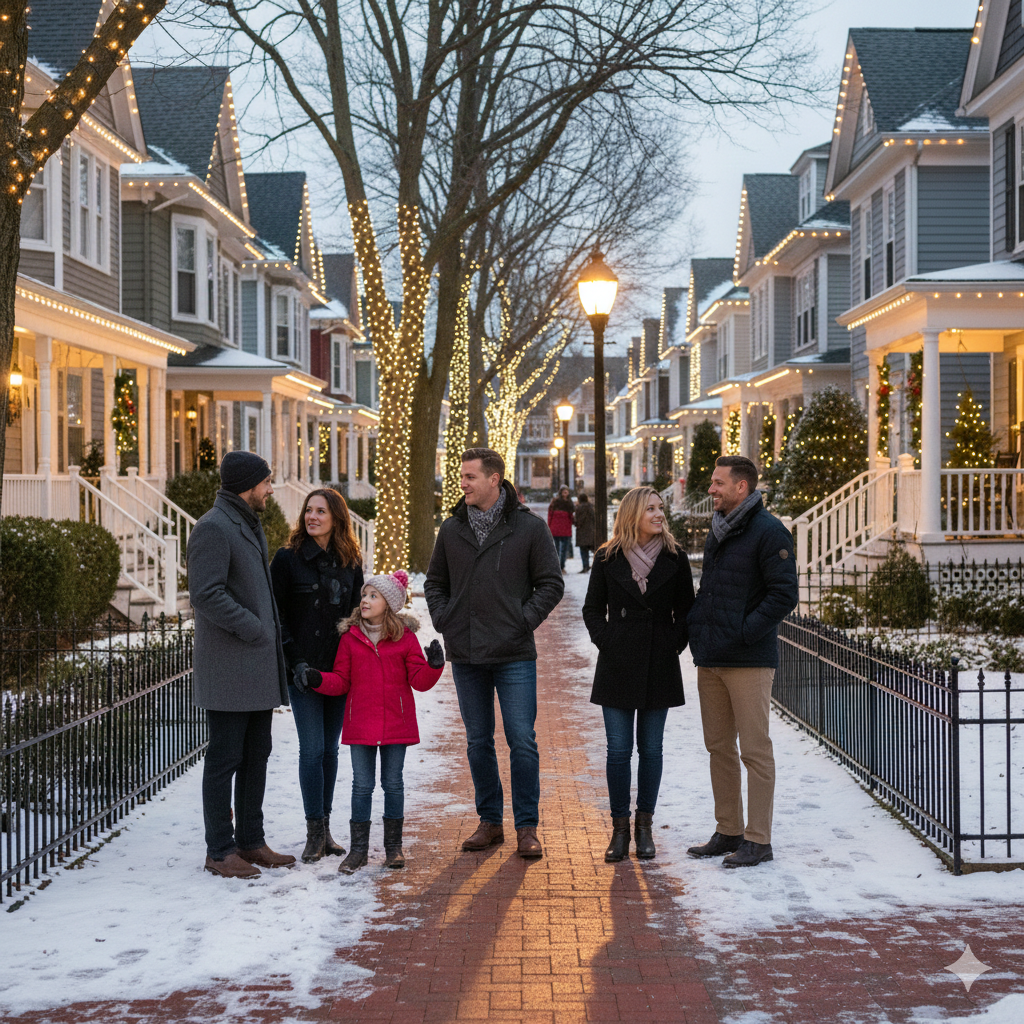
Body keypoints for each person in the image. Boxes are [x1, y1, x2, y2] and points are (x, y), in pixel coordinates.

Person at [425, 447, 564, 858]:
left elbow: (551, 584)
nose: (463, 483)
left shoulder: (528, 528)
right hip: (466, 654)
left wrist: (521, 620)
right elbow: (435, 583)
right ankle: (489, 822)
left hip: (514, 653)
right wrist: (445, 618)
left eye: (470, 477)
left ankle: (526, 827)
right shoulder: (452, 529)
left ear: (493, 479)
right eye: (462, 477)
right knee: (478, 742)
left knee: (522, 740)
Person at [685, 455, 798, 868]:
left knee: (755, 750)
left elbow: (784, 595)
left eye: (718, 483)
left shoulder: (770, 532)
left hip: (748, 659)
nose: (711, 489)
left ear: (741, 488)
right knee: (718, 748)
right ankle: (728, 828)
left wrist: (745, 631)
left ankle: (758, 839)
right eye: (712, 482)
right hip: (711, 657)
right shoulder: (720, 529)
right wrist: (700, 627)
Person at [187, 451, 295, 879]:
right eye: (266, 482)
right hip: (230, 667)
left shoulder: (246, 523)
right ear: (246, 485)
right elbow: (206, 593)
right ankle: (220, 850)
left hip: (255, 666)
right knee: (225, 758)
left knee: (257, 754)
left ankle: (251, 841)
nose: (270, 489)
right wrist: (254, 627)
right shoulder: (213, 527)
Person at [302, 571, 445, 873]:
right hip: (361, 725)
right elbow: (341, 681)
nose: (365, 600)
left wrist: (433, 666)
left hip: (397, 724)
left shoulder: (405, 639)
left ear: (389, 604)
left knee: (393, 785)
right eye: (364, 595)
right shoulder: (351, 638)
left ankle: (393, 848)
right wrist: (317, 680)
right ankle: (359, 851)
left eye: (372, 596)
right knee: (361, 786)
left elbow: (418, 681)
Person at [582, 486, 694, 862]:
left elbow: (687, 612)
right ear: (633, 515)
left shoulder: (675, 557)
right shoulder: (607, 556)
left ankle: (644, 827)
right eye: (651, 509)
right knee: (618, 750)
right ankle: (619, 830)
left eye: (661, 508)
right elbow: (592, 609)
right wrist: (608, 641)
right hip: (617, 662)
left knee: (651, 749)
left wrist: (670, 645)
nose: (660, 514)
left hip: (658, 661)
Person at [270, 488, 364, 864]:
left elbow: (359, 617)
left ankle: (325, 830)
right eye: (308, 510)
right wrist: (296, 663)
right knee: (311, 749)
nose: (312, 517)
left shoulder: (350, 561)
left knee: (329, 749)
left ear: (336, 518)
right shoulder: (287, 560)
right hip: (304, 670)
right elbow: (277, 617)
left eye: (320, 511)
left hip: (339, 671)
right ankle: (313, 830)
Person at [547, 486, 575, 573]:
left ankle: (557, 566)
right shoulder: (569, 503)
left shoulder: (555, 502)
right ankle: (561, 566)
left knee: (557, 549)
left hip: (557, 529)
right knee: (562, 550)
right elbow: (572, 517)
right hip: (564, 530)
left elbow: (550, 515)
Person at [574, 492, 596, 572]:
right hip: (591, 531)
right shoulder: (591, 507)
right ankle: (595, 565)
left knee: (583, 551)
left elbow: (577, 520)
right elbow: (594, 518)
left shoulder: (578, 508)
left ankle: (585, 566)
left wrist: (576, 523)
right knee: (594, 550)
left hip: (582, 532)